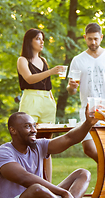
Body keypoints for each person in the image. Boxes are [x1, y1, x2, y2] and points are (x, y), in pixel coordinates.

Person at [0, 106, 98, 198]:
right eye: (27, 126)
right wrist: (64, 193)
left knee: (82, 173)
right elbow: (25, 178)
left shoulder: (38, 145)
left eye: (34, 126)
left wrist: (88, 123)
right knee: (37, 188)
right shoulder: (2, 153)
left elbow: (69, 138)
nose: (34, 130)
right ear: (13, 130)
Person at [66, 23, 105, 163]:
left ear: (101, 37)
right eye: (90, 39)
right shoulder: (77, 60)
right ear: (84, 37)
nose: (93, 42)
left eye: (96, 39)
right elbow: (72, 91)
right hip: (87, 111)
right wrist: (71, 87)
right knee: (89, 148)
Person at [17, 28, 64, 182]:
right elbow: (29, 79)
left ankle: (48, 184)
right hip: (31, 99)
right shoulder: (22, 60)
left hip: (47, 101)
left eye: (42, 38)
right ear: (29, 41)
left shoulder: (43, 61)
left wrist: (51, 100)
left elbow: (46, 83)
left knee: (46, 145)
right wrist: (51, 71)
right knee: (27, 141)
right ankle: (28, 181)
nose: (42, 41)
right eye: (38, 38)